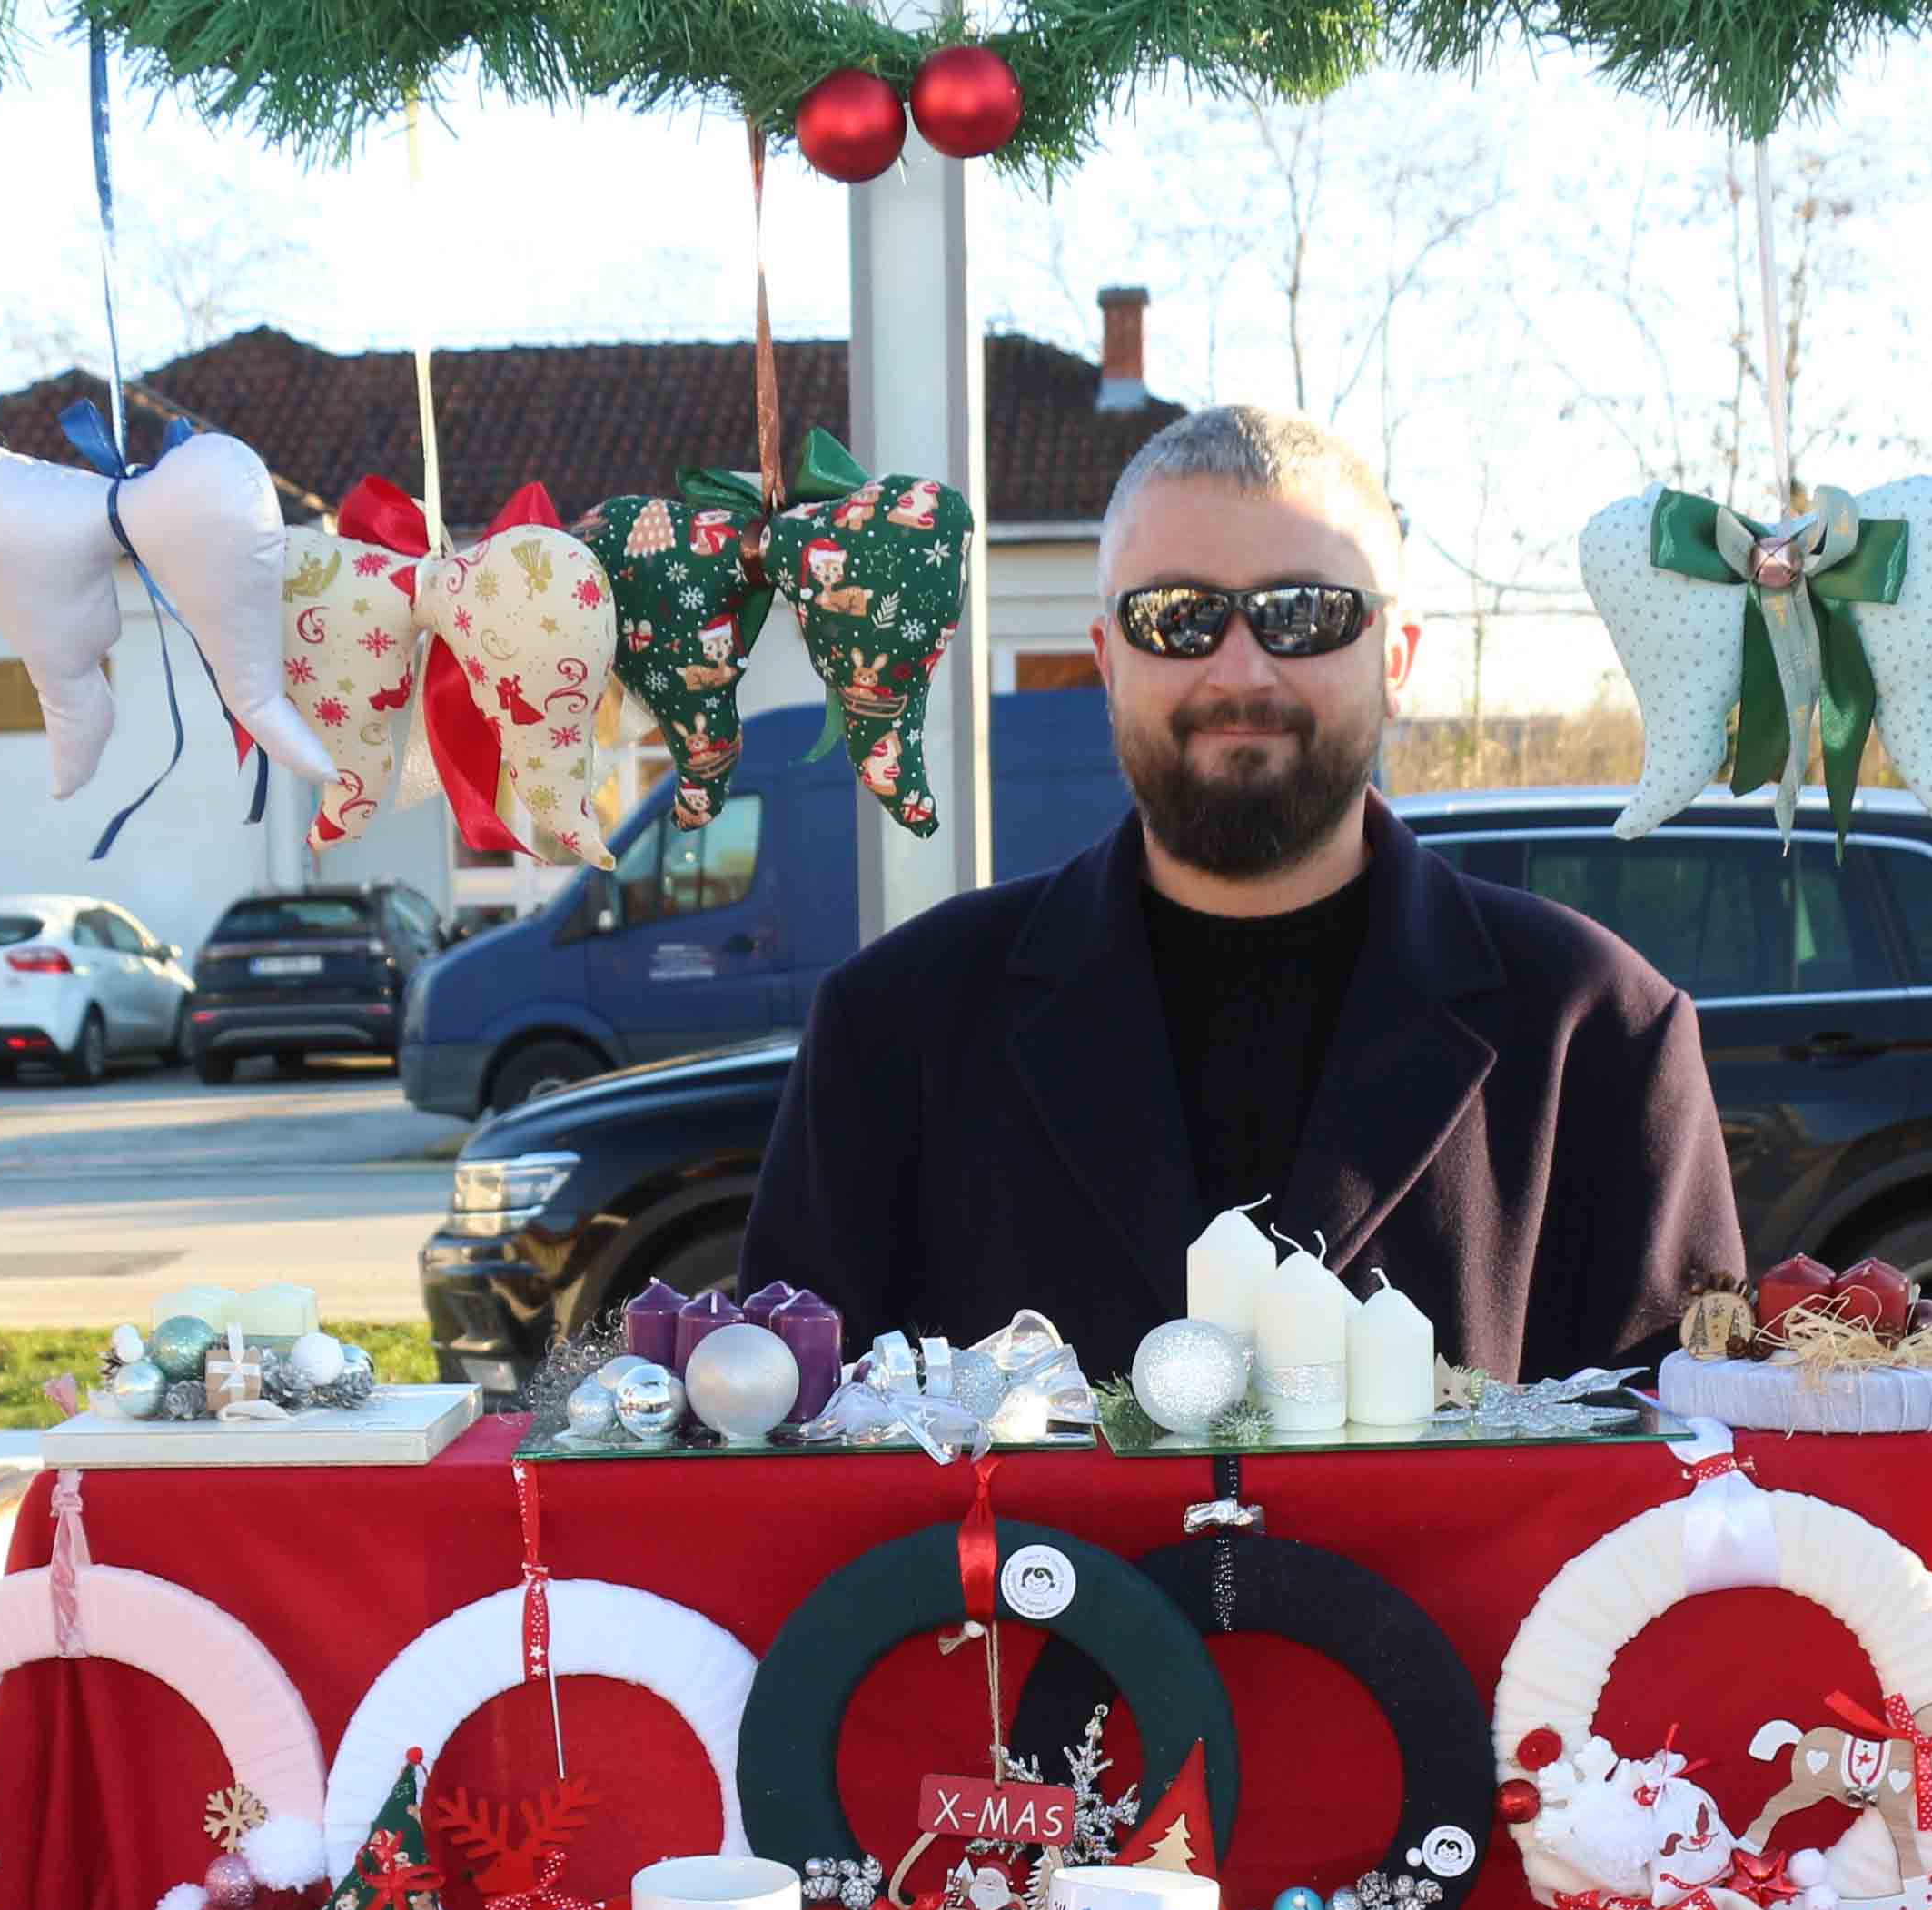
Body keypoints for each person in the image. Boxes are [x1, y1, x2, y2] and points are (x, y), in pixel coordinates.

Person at [743, 402, 1742, 1380]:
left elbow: (1689, 1463)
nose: (1240, 671)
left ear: (1395, 659)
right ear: (1107, 660)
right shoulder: (897, 1032)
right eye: (1176, 616)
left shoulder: (1595, 1033)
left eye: (1304, 614)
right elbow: (781, 1450)